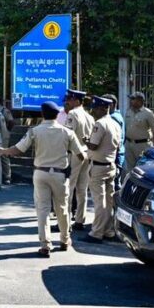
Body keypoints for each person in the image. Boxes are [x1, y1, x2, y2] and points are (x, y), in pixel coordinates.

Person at [0, 101, 87, 256]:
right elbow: (81, 156)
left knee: (43, 210)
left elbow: (18, 149)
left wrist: (3, 151)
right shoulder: (67, 132)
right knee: (62, 209)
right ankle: (65, 240)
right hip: (60, 174)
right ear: (57, 115)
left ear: (42, 114)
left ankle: (45, 244)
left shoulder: (35, 131)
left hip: (41, 173)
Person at [81, 96, 122, 243]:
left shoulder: (100, 124)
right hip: (110, 165)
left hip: (98, 166)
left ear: (102, 108)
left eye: (95, 109)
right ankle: (109, 231)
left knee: (100, 201)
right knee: (109, 201)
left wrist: (86, 141)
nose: (94, 112)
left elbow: (94, 145)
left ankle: (96, 233)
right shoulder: (115, 123)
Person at [63, 89, 94, 230]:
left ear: (76, 100)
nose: (68, 101)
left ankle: (65, 221)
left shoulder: (73, 114)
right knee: (82, 189)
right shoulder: (89, 116)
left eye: (70, 99)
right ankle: (80, 220)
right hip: (87, 153)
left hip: (75, 154)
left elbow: (68, 135)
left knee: (68, 188)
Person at [124, 92, 154, 174]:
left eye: (133, 99)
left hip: (142, 145)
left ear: (140, 101)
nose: (131, 101)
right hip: (129, 144)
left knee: (143, 168)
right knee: (130, 169)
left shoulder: (148, 113)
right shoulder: (128, 111)